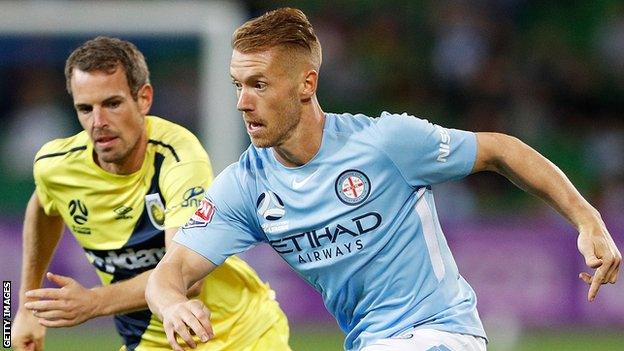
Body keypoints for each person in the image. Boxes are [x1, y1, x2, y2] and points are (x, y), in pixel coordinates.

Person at [145, 8, 621, 351]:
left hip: (440, 333)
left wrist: (587, 218)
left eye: (259, 85)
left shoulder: (385, 143)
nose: (242, 102)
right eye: (238, 85)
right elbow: (172, 272)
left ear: (306, 84)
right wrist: (171, 306)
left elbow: (499, 148)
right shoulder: (245, 186)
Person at [12, 36, 291, 351]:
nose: (98, 122)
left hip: (241, 334)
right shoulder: (55, 165)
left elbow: (188, 275)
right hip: (150, 342)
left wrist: (93, 302)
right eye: (85, 109)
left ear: (143, 99)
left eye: (112, 104)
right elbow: (44, 205)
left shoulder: (179, 158)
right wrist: (23, 308)